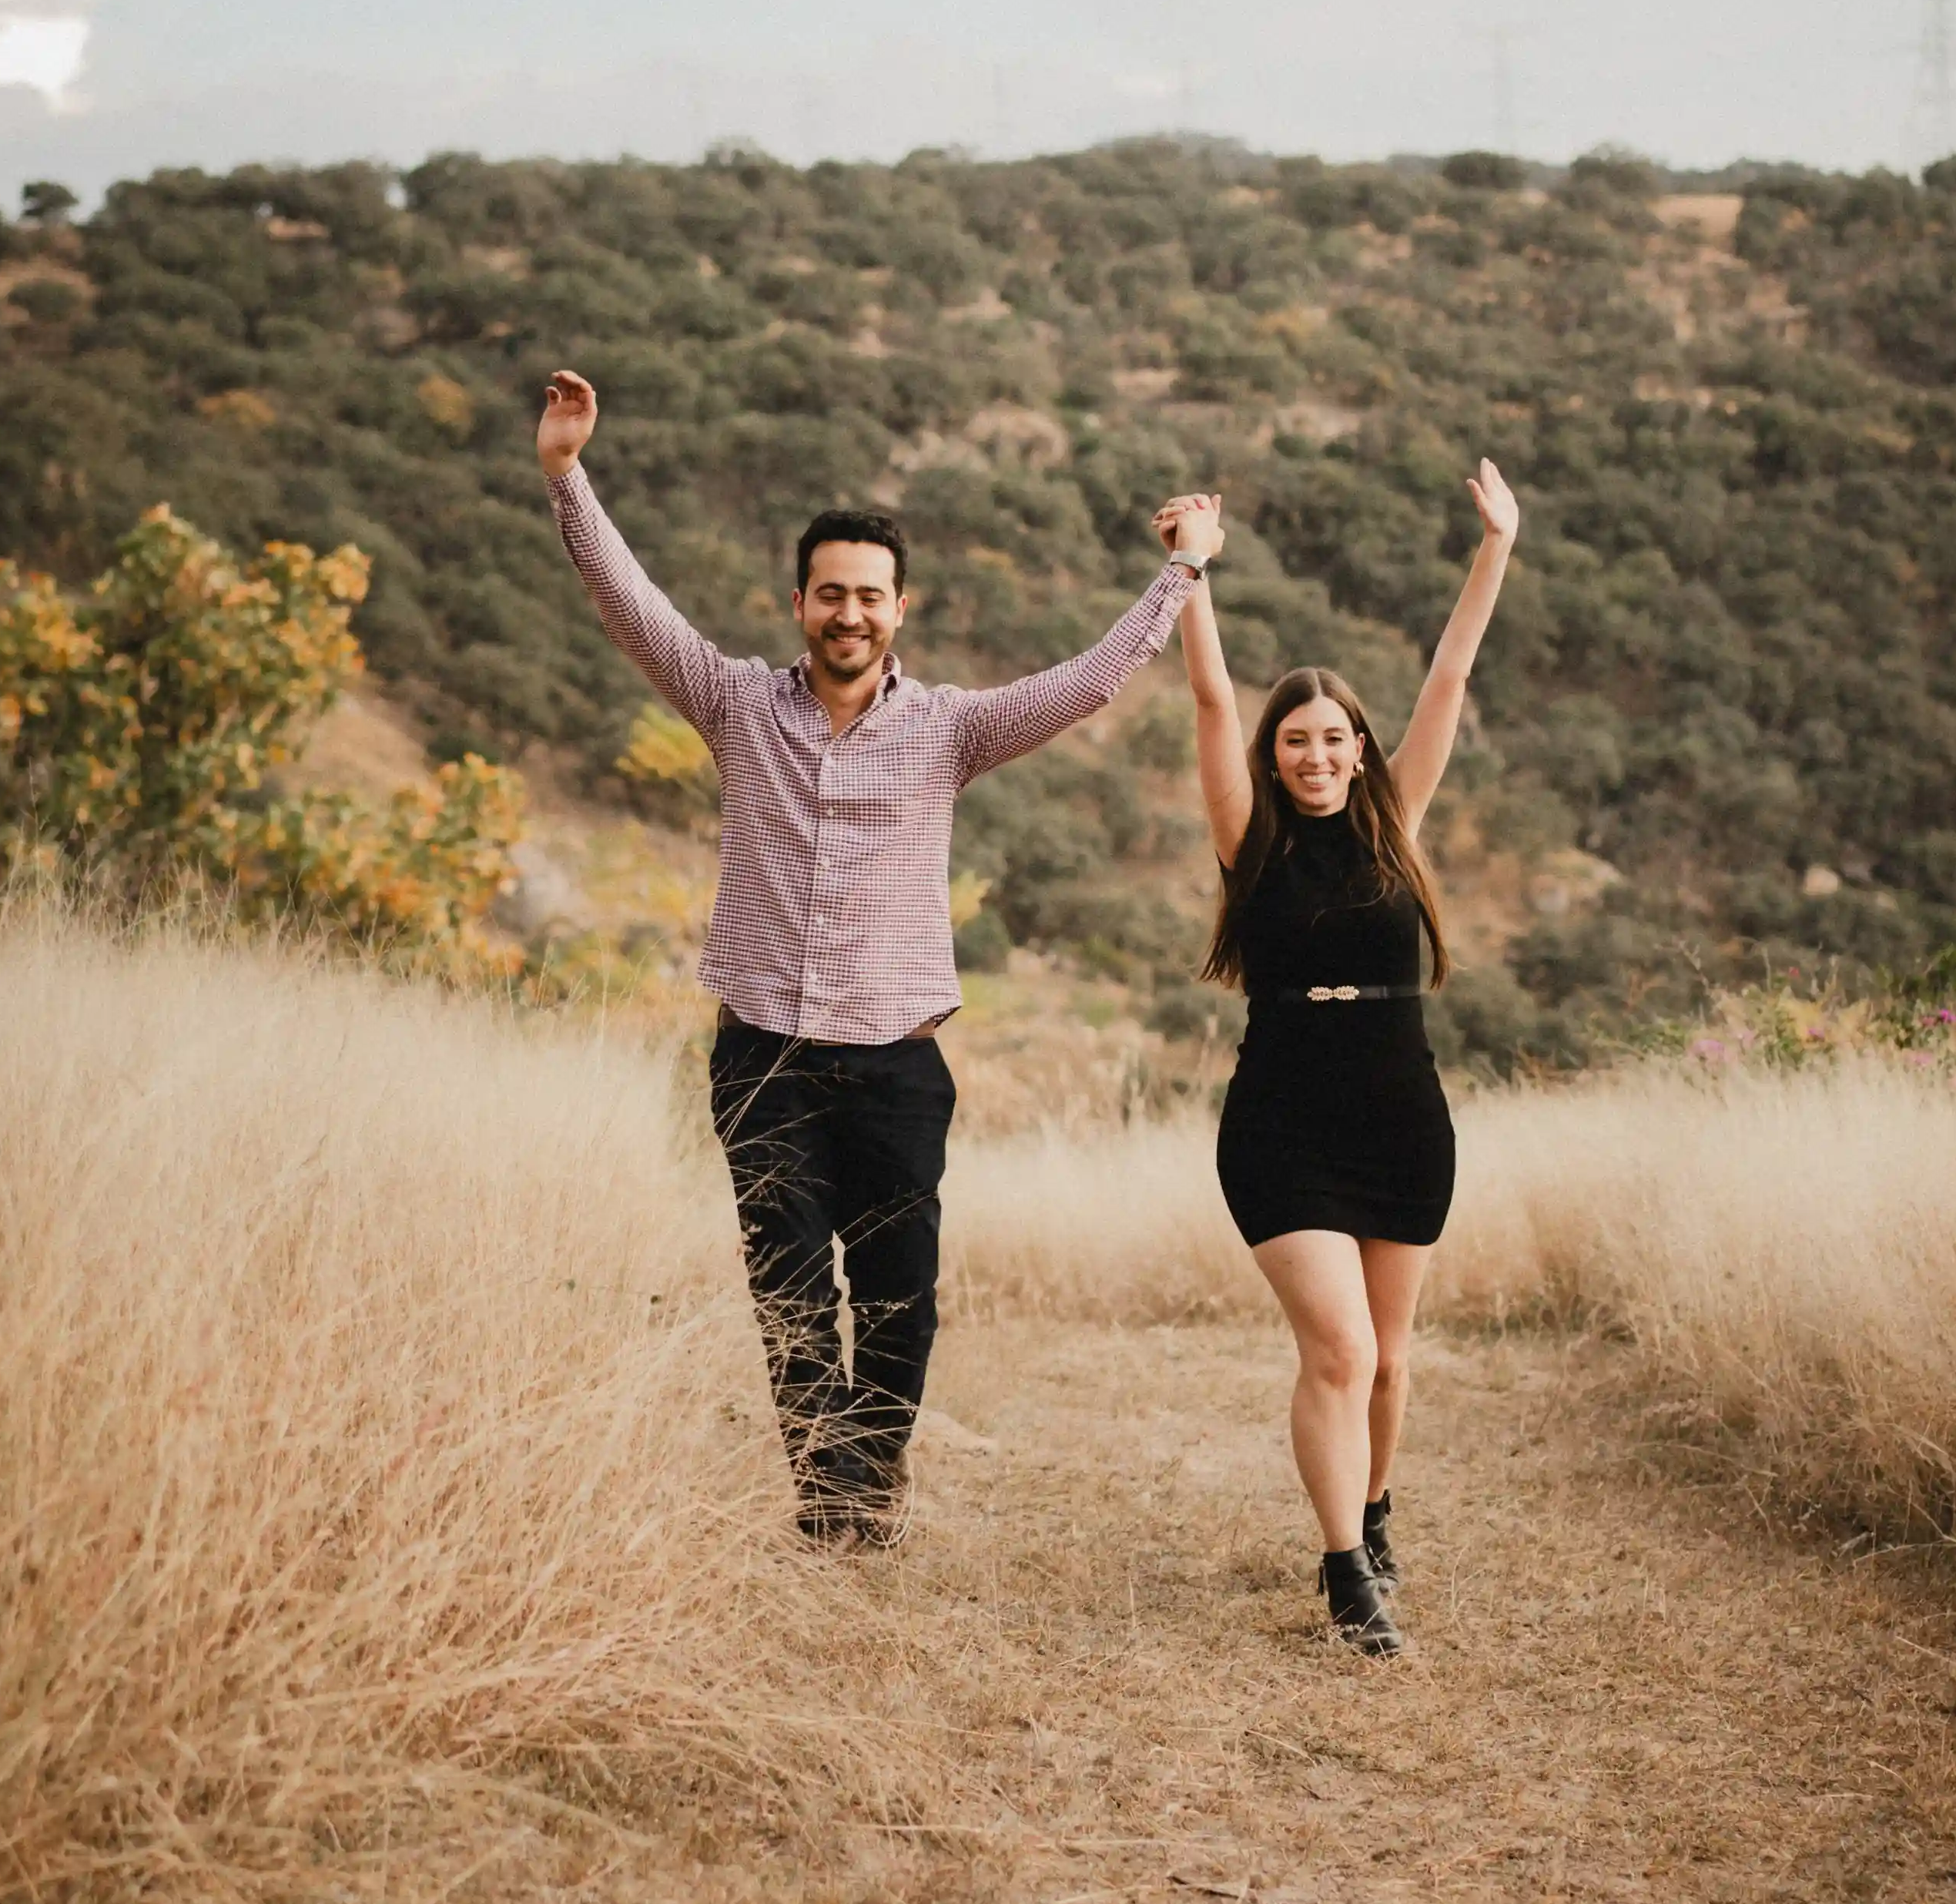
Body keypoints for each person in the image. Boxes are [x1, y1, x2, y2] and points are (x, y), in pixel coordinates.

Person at [537, 366, 1224, 1541]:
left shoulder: (950, 729)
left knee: (901, 1299)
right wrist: (565, 473)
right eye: (829, 594)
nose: (849, 613)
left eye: (870, 595)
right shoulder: (733, 703)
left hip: (900, 1065)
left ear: (899, 608)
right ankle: (830, 1501)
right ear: (798, 603)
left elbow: (1090, 682)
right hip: (762, 1057)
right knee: (789, 1294)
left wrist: (1183, 571)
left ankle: (866, 1473)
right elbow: (627, 602)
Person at [1169, 460, 1521, 1654]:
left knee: (1391, 1359)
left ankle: (1373, 1512)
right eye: (1296, 741)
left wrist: (1496, 548)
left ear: (1360, 750)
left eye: (1334, 738)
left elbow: (1451, 674)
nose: (1315, 755)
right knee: (1342, 1346)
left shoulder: (1394, 822)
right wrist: (1192, 577)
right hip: (1279, 1125)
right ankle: (1342, 1573)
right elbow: (1215, 701)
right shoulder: (1249, 842)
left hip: (1399, 1116)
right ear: (1274, 759)